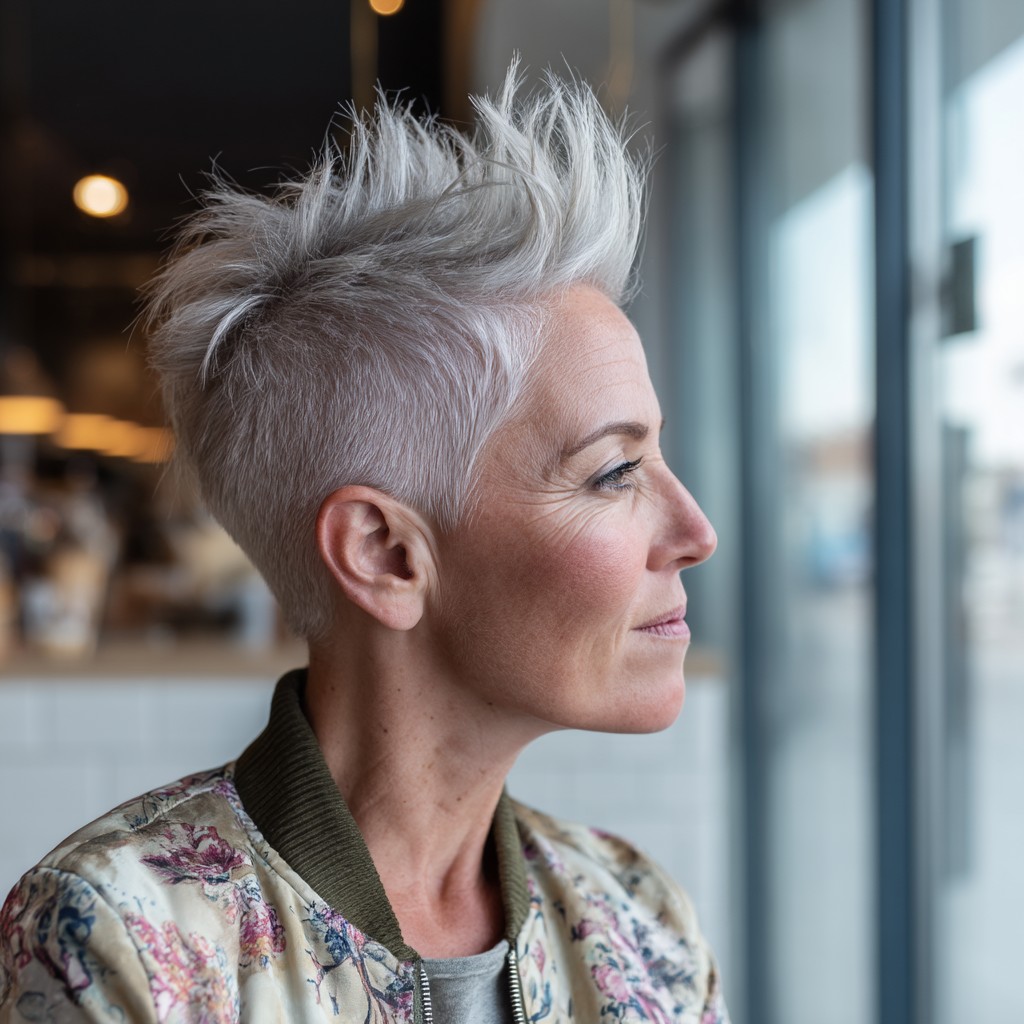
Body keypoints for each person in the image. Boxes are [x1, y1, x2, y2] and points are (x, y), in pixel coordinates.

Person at [0, 67, 729, 1023]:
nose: (696, 532)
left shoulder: (638, 917)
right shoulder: (124, 944)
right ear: (385, 555)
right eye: (613, 473)